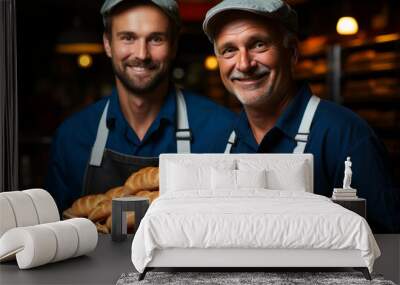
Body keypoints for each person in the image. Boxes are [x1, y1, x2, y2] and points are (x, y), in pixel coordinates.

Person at [203, 0, 399, 233]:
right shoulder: (222, 140)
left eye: (258, 44)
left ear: (292, 52)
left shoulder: (345, 136)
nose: (244, 64)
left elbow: (389, 247)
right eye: (229, 50)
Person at [46, 0, 236, 212]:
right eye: (128, 38)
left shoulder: (223, 132)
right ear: (108, 44)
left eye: (156, 39)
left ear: (173, 45)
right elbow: (57, 233)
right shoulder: (71, 137)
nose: (142, 54)